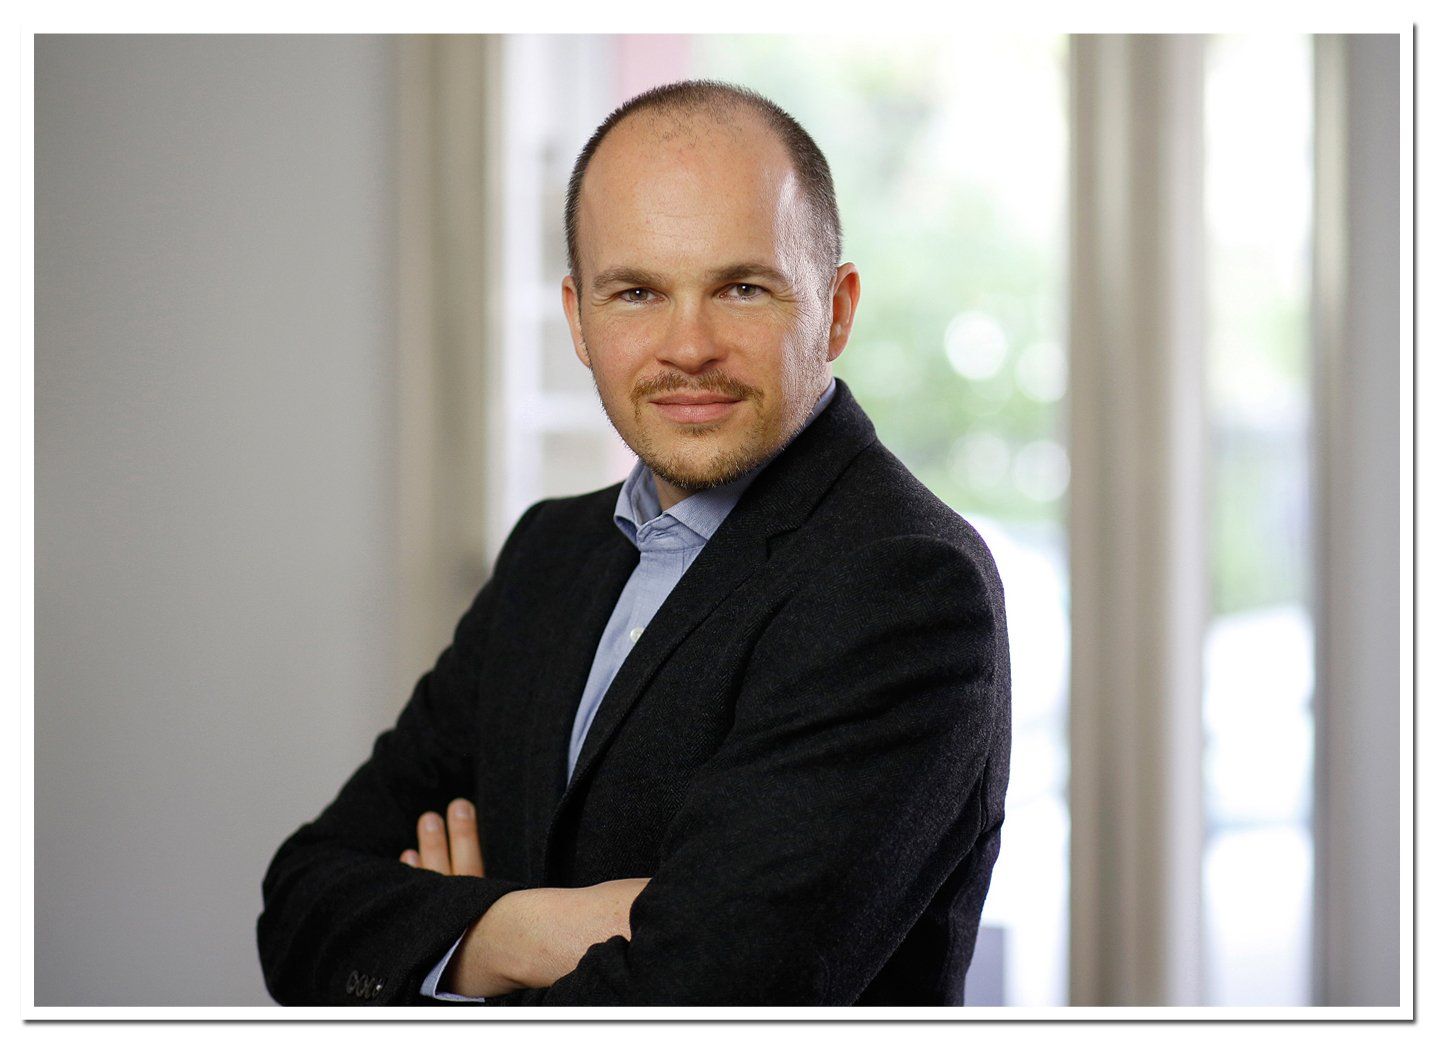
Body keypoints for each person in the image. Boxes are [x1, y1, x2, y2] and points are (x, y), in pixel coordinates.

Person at [257, 78, 1011, 1006]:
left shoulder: (903, 583)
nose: (687, 347)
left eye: (742, 287)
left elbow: (706, 999)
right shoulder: (550, 554)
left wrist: (447, 939)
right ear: (579, 319)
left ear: (837, 309)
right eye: (637, 292)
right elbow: (300, 908)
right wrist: (532, 928)